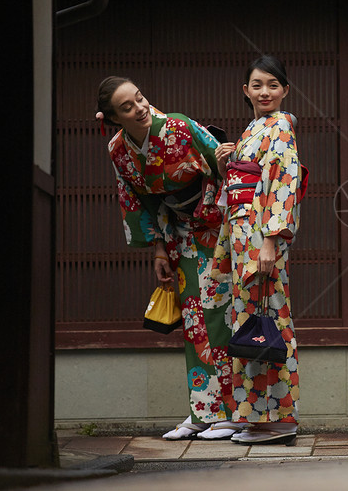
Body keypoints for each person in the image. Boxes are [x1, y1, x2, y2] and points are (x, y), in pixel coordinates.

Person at [96, 77, 239, 441]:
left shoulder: (178, 126)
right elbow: (136, 200)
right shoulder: (118, 150)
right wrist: (158, 248)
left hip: (218, 228)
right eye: (127, 107)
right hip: (180, 234)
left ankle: (230, 412)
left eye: (140, 98)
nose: (140, 108)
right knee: (193, 320)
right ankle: (202, 412)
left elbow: (228, 170)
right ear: (113, 117)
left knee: (219, 316)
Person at [212, 55, 304, 445]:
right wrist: (225, 168)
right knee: (248, 319)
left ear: (285, 90)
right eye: (257, 85)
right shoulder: (253, 128)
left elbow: (284, 178)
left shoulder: (280, 126)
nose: (264, 91)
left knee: (269, 318)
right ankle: (252, 414)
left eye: (272, 84)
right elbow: (238, 188)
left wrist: (270, 239)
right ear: (245, 91)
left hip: (260, 236)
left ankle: (280, 419)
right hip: (241, 233)